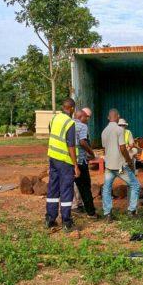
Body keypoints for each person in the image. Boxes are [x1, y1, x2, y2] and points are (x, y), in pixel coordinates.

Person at [45, 98, 81, 232]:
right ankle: (66, 221)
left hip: (53, 158)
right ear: (71, 108)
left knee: (53, 188)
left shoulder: (54, 119)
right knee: (66, 189)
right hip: (65, 161)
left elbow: (52, 135)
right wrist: (75, 165)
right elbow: (71, 145)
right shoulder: (70, 123)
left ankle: (50, 218)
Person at [101, 109, 140, 221]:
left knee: (106, 188)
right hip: (120, 167)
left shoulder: (104, 131)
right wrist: (128, 160)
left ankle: (107, 213)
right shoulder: (119, 130)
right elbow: (123, 148)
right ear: (117, 117)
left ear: (108, 118)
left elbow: (105, 149)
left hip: (109, 166)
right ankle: (131, 211)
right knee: (135, 185)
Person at [73, 108, 97, 218]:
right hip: (80, 161)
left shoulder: (68, 124)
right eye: (86, 117)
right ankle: (91, 213)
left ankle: (71, 208)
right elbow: (82, 142)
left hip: (69, 161)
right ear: (80, 117)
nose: (87, 119)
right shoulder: (82, 126)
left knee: (70, 186)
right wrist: (92, 153)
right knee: (85, 187)